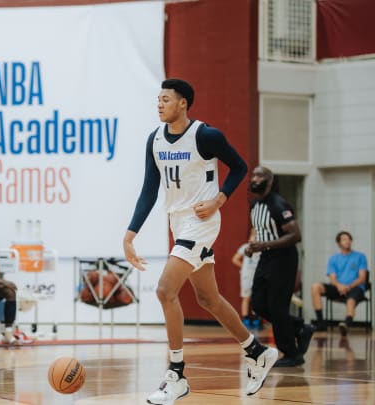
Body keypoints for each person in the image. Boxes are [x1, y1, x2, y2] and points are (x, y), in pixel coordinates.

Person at [123, 78, 278, 404]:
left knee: (166, 290)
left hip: (202, 222)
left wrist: (219, 200)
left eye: (165, 99)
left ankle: (176, 374)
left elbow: (239, 167)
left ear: (183, 103)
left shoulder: (205, 136)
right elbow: (149, 190)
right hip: (178, 224)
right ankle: (256, 351)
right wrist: (130, 234)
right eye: (158, 99)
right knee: (209, 299)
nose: (159, 104)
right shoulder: (155, 141)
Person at [246, 166, 314, 367]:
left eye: (260, 176)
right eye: (253, 175)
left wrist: (264, 244)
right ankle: (300, 327)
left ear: (270, 180)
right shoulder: (254, 205)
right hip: (265, 258)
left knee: (278, 308)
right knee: (258, 304)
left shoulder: (278, 204)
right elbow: (263, 232)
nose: (255, 178)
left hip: (283, 259)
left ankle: (292, 353)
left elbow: (295, 235)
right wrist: (254, 247)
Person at [310, 231, 369, 336]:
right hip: (338, 287)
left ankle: (346, 324)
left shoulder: (360, 257)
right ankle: (321, 323)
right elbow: (332, 279)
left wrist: (348, 287)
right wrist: (340, 286)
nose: (347, 241)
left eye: (349, 239)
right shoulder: (333, 259)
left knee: (351, 300)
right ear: (339, 243)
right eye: (344, 239)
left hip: (355, 287)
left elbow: (362, 278)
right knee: (315, 287)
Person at [231, 228, 261, 329]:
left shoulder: (262, 248)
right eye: (254, 235)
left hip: (257, 275)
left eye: (257, 236)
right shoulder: (245, 247)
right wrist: (244, 267)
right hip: (247, 275)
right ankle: (245, 318)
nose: (255, 238)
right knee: (246, 297)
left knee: (256, 297)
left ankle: (256, 318)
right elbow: (235, 259)